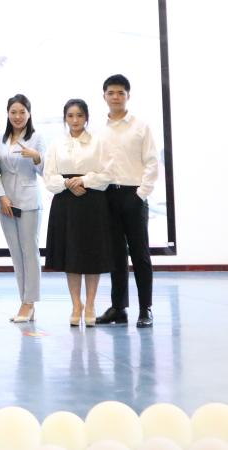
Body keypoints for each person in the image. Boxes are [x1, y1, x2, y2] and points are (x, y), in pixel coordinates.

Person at [44, 99, 113, 327]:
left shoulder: (98, 142)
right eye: (70, 116)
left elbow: (107, 174)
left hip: (92, 202)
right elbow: (49, 177)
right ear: (65, 118)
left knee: (92, 255)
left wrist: (83, 180)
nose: (75, 120)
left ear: (87, 118)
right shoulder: (57, 143)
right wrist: (67, 184)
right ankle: (76, 304)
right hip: (66, 203)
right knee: (71, 256)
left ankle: (91, 304)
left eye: (80, 115)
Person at [96, 74, 159, 328]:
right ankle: (119, 308)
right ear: (104, 96)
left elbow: (152, 162)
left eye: (120, 93)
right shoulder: (99, 129)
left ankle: (146, 309)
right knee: (115, 255)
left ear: (128, 96)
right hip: (108, 195)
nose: (115, 97)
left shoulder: (140, 126)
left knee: (140, 255)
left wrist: (141, 194)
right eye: (111, 92)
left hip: (134, 195)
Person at [0, 94, 45, 323]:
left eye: (22, 112)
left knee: (29, 252)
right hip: (6, 202)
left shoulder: (36, 138)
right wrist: (1, 196)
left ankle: (29, 302)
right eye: (13, 112)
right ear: (8, 114)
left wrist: (36, 157)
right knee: (15, 253)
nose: (18, 116)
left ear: (29, 114)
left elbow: (45, 170)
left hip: (29, 200)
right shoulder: (1, 139)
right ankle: (24, 300)